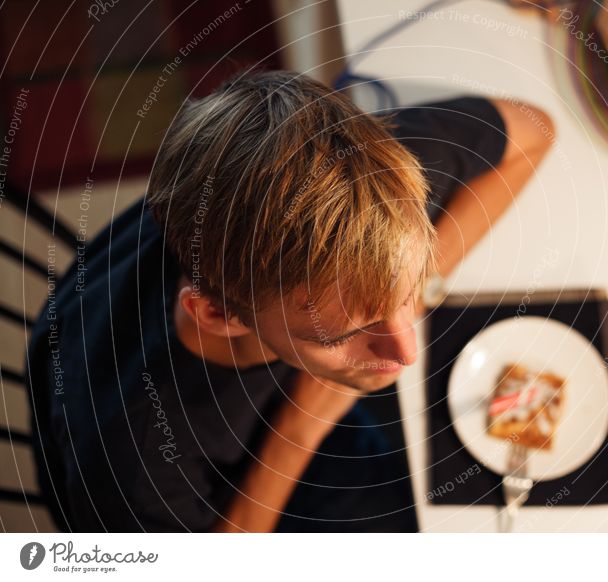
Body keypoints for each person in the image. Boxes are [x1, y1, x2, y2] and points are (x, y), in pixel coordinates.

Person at [26, 69, 554, 532]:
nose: (406, 349)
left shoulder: (361, 186)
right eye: (347, 332)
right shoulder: (136, 453)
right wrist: (302, 425)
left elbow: (534, 130)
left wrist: (413, 283)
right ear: (218, 314)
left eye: (404, 291)